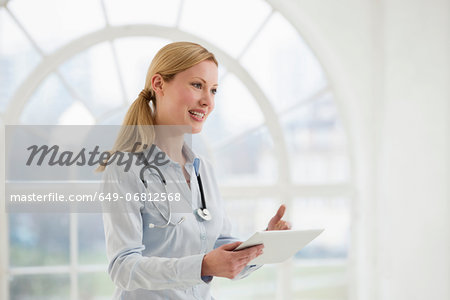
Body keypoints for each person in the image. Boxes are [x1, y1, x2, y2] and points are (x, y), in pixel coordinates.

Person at [100, 41, 291, 299]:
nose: (207, 101)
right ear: (158, 84)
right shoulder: (126, 169)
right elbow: (123, 268)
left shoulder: (204, 170)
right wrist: (203, 265)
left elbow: (217, 246)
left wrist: (261, 246)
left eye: (213, 90)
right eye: (197, 85)